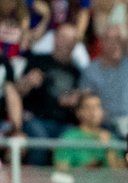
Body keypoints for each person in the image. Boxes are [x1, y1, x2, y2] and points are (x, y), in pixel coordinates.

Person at [17, 22, 81, 164]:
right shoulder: (37, 60)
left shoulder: (76, 71)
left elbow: (78, 100)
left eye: (70, 40)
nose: (65, 43)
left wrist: (76, 101)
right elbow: (17, 92)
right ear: (55, 38)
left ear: (75, 44)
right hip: (36, 119)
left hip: (65, 123)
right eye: (62, 37)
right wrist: (27, 82)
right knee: (40, 142)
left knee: (74, 142)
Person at [81, 21, 128, 133]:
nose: (116, 43)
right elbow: (86, 101)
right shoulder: (91, 70)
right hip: (107, 126)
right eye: (110, 39)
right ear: (102, 43)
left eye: (119, 39)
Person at [53, 91, 122, 170]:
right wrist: (85, 170)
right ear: (78, 112)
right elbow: (61, 173)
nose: (93, 112)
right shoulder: (68, 138)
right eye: (87, 107)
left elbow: (119, 174)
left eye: (97, 107)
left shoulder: (112, 139)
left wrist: (109, 149)